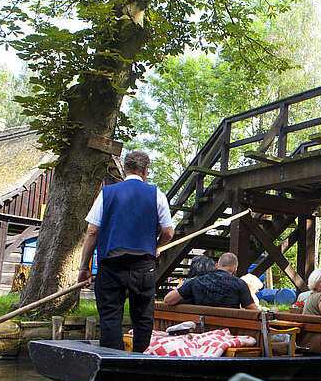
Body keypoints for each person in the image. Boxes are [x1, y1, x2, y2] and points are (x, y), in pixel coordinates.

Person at [77, 150, 174, 353]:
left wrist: (84, 267)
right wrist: (156, 247)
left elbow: (93, 231)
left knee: (110, 315)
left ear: (124, 169)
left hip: (111, 264)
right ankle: (140, 360)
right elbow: (168, 232)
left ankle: (112, 361)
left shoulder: (107, 193)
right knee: (143, 315)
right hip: (143, 265)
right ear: (145, 170)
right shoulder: (157, 194)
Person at [163, 252, 259, 310]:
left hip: (201, 329)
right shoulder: (240, 284)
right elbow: (254, 311)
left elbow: (168, 300)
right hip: (228, 331)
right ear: (235, 269)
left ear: (217, 265)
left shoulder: (196, 281)